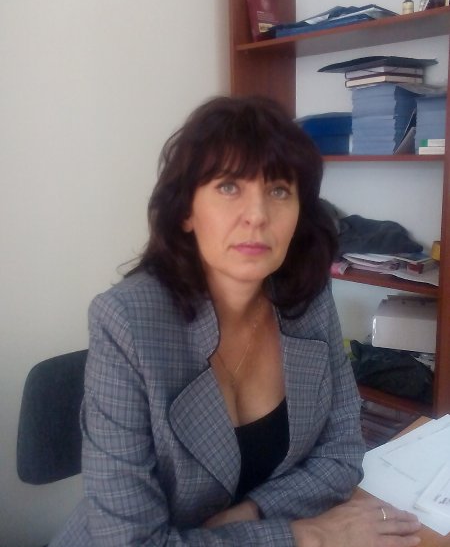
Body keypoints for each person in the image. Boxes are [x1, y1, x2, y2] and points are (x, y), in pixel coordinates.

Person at [51, 96, 421, 546]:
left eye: (279, 190)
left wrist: (252, 514)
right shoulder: (126, 322)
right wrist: (305, 536)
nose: (258, 215)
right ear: (186, 211)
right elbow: (130, 542)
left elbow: (342, 452)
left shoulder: (307, 296)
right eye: (229, 186)